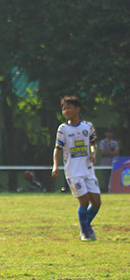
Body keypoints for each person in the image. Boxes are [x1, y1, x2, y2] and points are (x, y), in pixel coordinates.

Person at [51, 95, 101, 240]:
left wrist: (93, 154)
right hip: (73, 171)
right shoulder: (63, 129)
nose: (65, 111)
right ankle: (85, 232)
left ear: (77, 109)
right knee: (84, 201)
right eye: (63, 109)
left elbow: (93, 143)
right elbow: (58, 149)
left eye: (68, 108)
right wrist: (55, 165)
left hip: (88, 169)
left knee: (97, 203)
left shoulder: (88, 126)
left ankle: (85, 226)